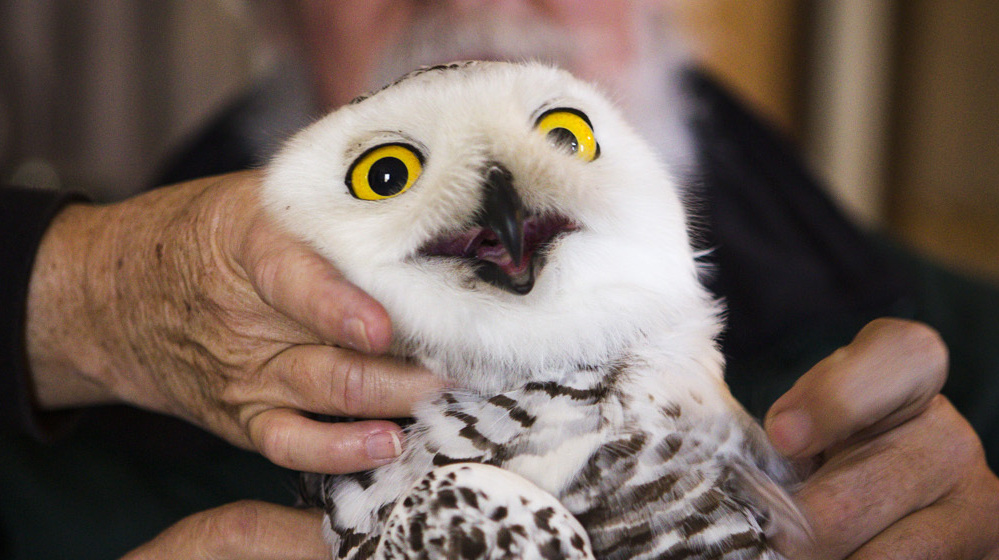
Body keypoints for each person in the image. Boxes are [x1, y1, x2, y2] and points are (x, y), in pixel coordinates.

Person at [2, 1, 998, 558]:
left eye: (555, 133)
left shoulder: (963, 357)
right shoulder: (55, 429)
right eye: (392, 170)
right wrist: (68, 293)